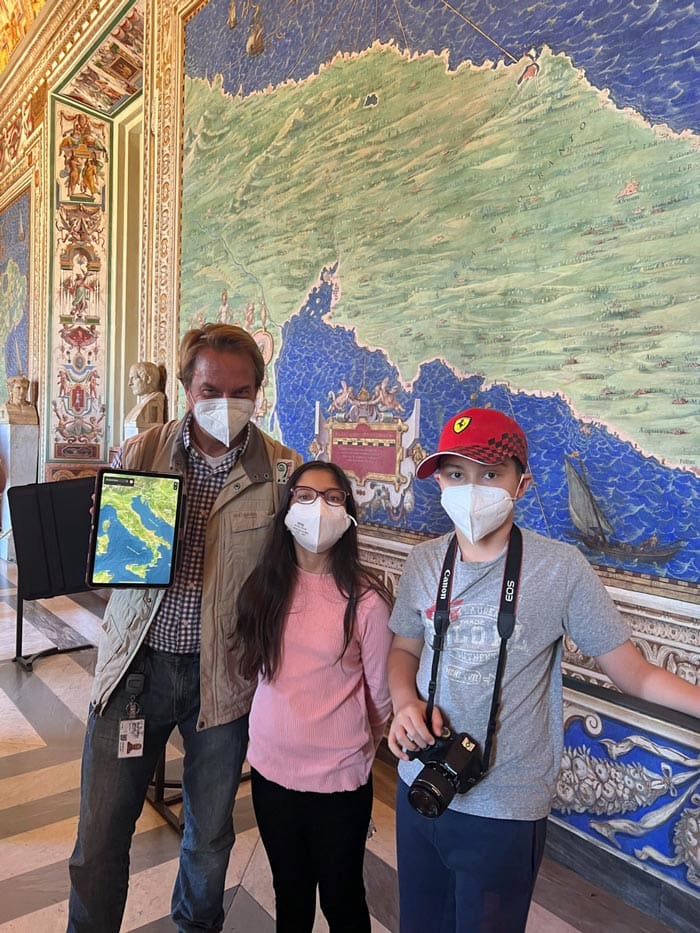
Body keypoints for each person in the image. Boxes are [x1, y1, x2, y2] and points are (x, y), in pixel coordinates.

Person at [386, 407, 700, 933]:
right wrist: (403, 703)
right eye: (457, 473)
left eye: (491, 474)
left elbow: (634, 674)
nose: (472, 488)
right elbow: (403, 652)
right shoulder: (424, 562)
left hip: (506, 804)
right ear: (438, 479)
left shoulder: (561, 567)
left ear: (522, 484)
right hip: (421, 782)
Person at [67, 323, 301, 933]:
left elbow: (290, 578)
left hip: (221, 677)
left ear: (259, 390)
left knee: (209, 837)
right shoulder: (140, 452)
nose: (226, 403)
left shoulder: (280, 470)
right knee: (98, 841)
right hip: (136, 670)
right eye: (210, 389)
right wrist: (105, 528)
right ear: (186, 387)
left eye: (241, 390)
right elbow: (113, 573)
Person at [236, 460, 394, 932]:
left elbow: (381, 696)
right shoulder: (264, 587)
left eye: (332, 497)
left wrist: (347, 740)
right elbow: (257, 671)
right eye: (305, 496)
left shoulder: (366, 601)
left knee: (343, 897)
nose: (318, 507)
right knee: (290, 893)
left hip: (338, 780)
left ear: (348, 513)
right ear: (287, 507)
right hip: (269, 770)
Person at [124, 360, 166, 435]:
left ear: (148, 379)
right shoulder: (143, 402)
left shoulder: (154, 400)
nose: (129, 383)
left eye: (133, 378)